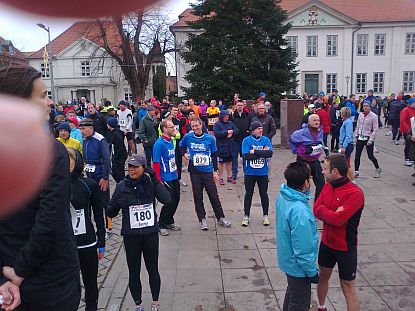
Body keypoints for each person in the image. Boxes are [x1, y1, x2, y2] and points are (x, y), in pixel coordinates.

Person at [0, 66, 80, 310]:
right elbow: (49, 219)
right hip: (49, 278)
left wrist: (6, 275)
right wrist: (19, 272)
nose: (50, 102)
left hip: (7, 272)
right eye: (43, 95)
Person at [108, 154, 171, 311]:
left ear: (144, 168)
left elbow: (167, 199)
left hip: (150, 234)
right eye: (130, 167)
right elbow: (110, 212)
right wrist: (117, 203)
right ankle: (138, 304)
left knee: (152, 269)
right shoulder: (122, 186)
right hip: (131, 237)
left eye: (135, 167)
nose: (131, 170)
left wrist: (155, 179)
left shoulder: (150, 184)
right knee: (133, 271)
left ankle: (155, 302)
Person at [314, 154, 364, 311]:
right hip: (326, 243)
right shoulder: (328, 186)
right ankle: (321, 307)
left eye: (325, 169)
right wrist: (331, 212)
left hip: (345, 247)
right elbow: (316, 209)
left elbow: (337, 220)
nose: (322, 172)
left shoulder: (355, 193)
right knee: (323, 277)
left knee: (347, 287)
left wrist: (327, 212)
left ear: (335, 171)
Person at [276, 161, 319, 311]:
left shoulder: (283, 196)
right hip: (298, 267)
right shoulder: (300, 210)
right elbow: (303, 247)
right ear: (306, 183)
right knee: (299, 304)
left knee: (292, 294)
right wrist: (312, 271)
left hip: (288, 260)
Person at [67, 148, 105, 311]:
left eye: (68, 160)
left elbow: (98, 213)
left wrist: (101, 241)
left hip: (87, 244)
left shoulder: (88, 184)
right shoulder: (53, 186)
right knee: (68, 286)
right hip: (64, 247)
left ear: (77, 163)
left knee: (90, 284)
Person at [179, 117, 232, 230]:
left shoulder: (209, 138)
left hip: (207, 171)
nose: (195, 128)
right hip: (194, 172)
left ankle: (220, 217)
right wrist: (184, 154)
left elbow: (214, 155)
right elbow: (181, 146)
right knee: (198, 196)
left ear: (201, 125)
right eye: (193, 126)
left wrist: (215, 171)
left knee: (213, 195)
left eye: (196, 126)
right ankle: (202, 219)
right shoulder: (188, 137)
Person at [79, 118, 113, 237]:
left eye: (83, 129)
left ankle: (109, 228)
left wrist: (104, 177)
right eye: (80, 129)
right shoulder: (85, 140)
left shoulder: (100, 139)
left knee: (105, 202)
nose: (81, 131)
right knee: (92, 201)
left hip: (100, 174)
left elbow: (107, 159)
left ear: (90, 128)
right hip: (89, 174)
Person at [152, 120, 181, 236]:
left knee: (176, 199)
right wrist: (158, 179)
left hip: (174, 175)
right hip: (165, 177)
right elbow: (156, 162)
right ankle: (161, 224)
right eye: (171, 127)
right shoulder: (159, 144)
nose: (174, 129)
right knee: (169, 201)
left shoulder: (170, 141)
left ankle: (169, 220)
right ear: (164, 129)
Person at [241, 121, 273, 226]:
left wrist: (254, 151)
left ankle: (265, 216)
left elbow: (269, 154)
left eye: (261, 129)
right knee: (248, 194)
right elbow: (246, 156)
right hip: (250, 172)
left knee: (264, 194)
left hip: (262, 172)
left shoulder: (266, 140)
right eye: (258, 129)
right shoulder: (246, 140)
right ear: (253, 130)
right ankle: (246, 216)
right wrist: (262, 152)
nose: (261, 130)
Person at [289, 114, 325, 200]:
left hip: (315, 160)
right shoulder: (301, 133)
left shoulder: (321, 131)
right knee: (302, 185)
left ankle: (317, 206)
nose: (317, 122)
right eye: (314, 120)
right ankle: (302, 203)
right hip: (303, 161)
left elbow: (321, 142)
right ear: (309, 122)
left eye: (318, 120)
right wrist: (296, 151)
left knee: (321, 184)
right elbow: (291, 139)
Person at [354, 101, 381, 178]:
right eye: (364, 106)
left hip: (368, 137)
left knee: (370, 156)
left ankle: (377, 168)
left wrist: (371, 140)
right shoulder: (361, 115)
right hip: (360, 137)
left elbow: (375, 129)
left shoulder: (373, 116)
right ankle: (356, 171)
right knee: (357, 155)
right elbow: (358, 126)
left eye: (367, 106)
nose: (365, 107)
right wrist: (356, 135)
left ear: (370, 107)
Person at [214, 111, 239, 184]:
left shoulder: (230, 123)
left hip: (230, 146)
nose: (226, 118)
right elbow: (216, 133)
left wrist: (232, 132)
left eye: (227, 117)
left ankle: (229, 176)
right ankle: (220, 178)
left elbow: (237, 130)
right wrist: (226, 132)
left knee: (229, 162)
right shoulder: (217, 124)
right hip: (221, 147)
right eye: (225, 117)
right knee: (221, 163)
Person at [107, 117, 128, 183]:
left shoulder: (116, 134)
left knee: (117, 173)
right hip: (117, 156)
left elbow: (119, 147)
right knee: (116, 172)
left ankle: (123, 185)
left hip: (119, 157)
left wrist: (115, 157)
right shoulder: (114, 132)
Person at [400, 98, 415, 166]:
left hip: (413, 130)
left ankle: (412, 158)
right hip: (407, 131)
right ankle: (407, 159)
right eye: (414, 103)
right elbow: (402, 121)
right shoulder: (405, 110)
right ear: (411, 103)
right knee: (408, 145)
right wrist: (408, 130)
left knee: (413, 146)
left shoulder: (414, 110)